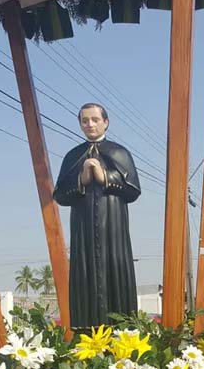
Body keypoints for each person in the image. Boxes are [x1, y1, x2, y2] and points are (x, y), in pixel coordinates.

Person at [53, 103, 141, 329]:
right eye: (85, 121)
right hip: (82, 229)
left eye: (94, 119)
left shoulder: (119, 152)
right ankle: (84, 329)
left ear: (106, 122)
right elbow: (60, 195)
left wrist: (105, 177)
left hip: (113, 227)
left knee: (115, 270)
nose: (90, 124)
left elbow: (133, 191)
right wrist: (81, 178)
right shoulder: (73, 156)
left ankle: (123, 329)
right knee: (84, 274)